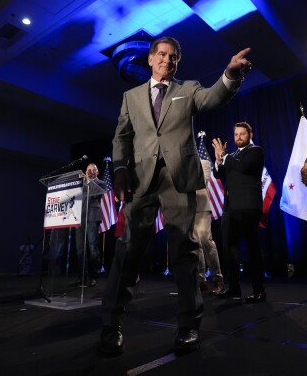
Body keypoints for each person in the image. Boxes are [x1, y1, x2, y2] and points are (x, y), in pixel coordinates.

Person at [99, 36, 252, 355]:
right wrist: (120, 169)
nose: (168, 60)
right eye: (163, 55)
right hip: (140, 181)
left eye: (174, 57)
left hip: (180, 180)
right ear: (151, 59)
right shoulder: (131, 97)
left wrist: (230, 74)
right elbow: (121, 137)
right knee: (127, 251)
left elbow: (213, 98)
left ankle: (188, 326)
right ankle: (111, 325)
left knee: (185, 250)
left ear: (177, 63)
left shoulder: (189, 89)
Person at [211, 122, 266, 303]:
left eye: (242, 134)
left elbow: (243, 167)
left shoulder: (256, 151)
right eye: (236, 134)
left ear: (250, 134)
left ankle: (259, 291)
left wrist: (224, 156)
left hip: (248, 208)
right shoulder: (232, 156)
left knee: (252, 250)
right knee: (229, 250)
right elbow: (219, 174)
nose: (238, 137)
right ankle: (234, 289)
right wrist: (219, 160)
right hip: (230, 209)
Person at [73, 163, 107, 287]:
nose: (91, 172)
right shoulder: (81, 184)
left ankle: (93, 276)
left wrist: (87, 180)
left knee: (93, 248)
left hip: (92, 218)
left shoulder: (101, 183)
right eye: (88, 170)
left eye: (93, 170)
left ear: (97, 172)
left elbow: (95, 193)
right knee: (80, 249)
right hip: (80, 218)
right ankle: (81, 277)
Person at [194, 159, 224, 294]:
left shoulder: (204, 163)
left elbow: (202, 181)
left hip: (201, 207)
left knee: (206, 240)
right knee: (195, 245)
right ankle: (201, 280)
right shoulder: (179, 163)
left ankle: (218, 279)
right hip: (186, 209)